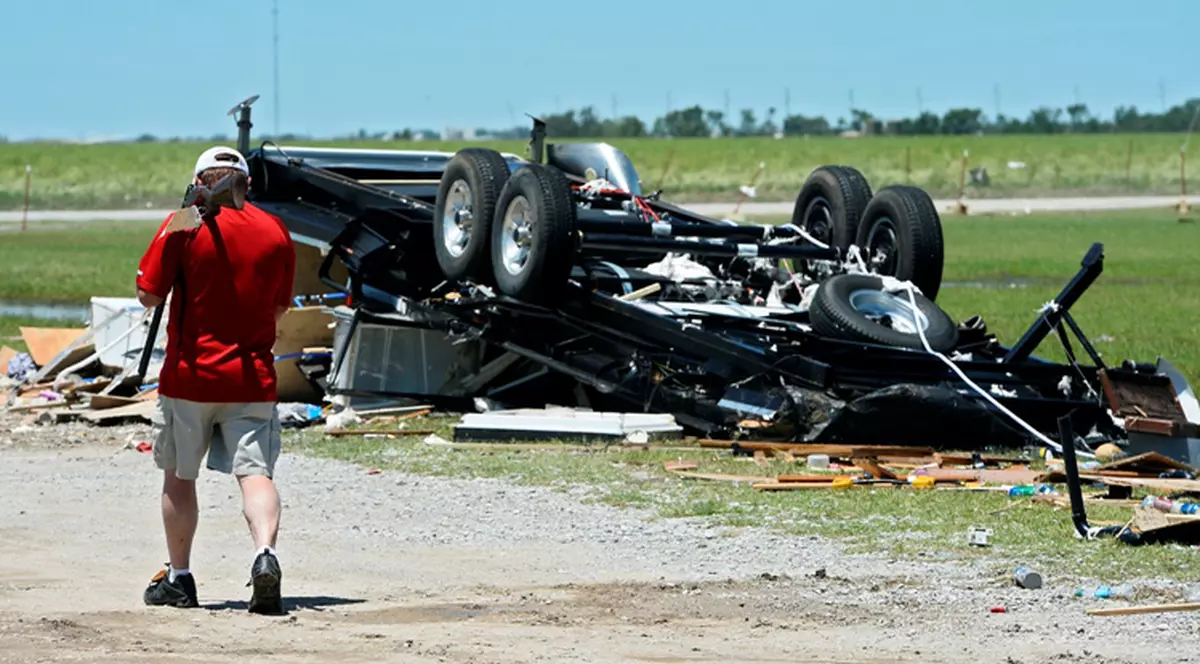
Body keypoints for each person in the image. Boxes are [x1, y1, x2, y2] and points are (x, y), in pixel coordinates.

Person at [136, 146, 296, 614]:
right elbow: (280, 308)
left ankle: (180, 577)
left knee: (178, 478)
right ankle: (265, 555)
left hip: (189, 378)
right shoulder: (274, 229)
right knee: (256, 474)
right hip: (251, 378)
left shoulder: (185, 222)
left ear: (201, 182)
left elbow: (148, 294)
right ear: (245, 183)